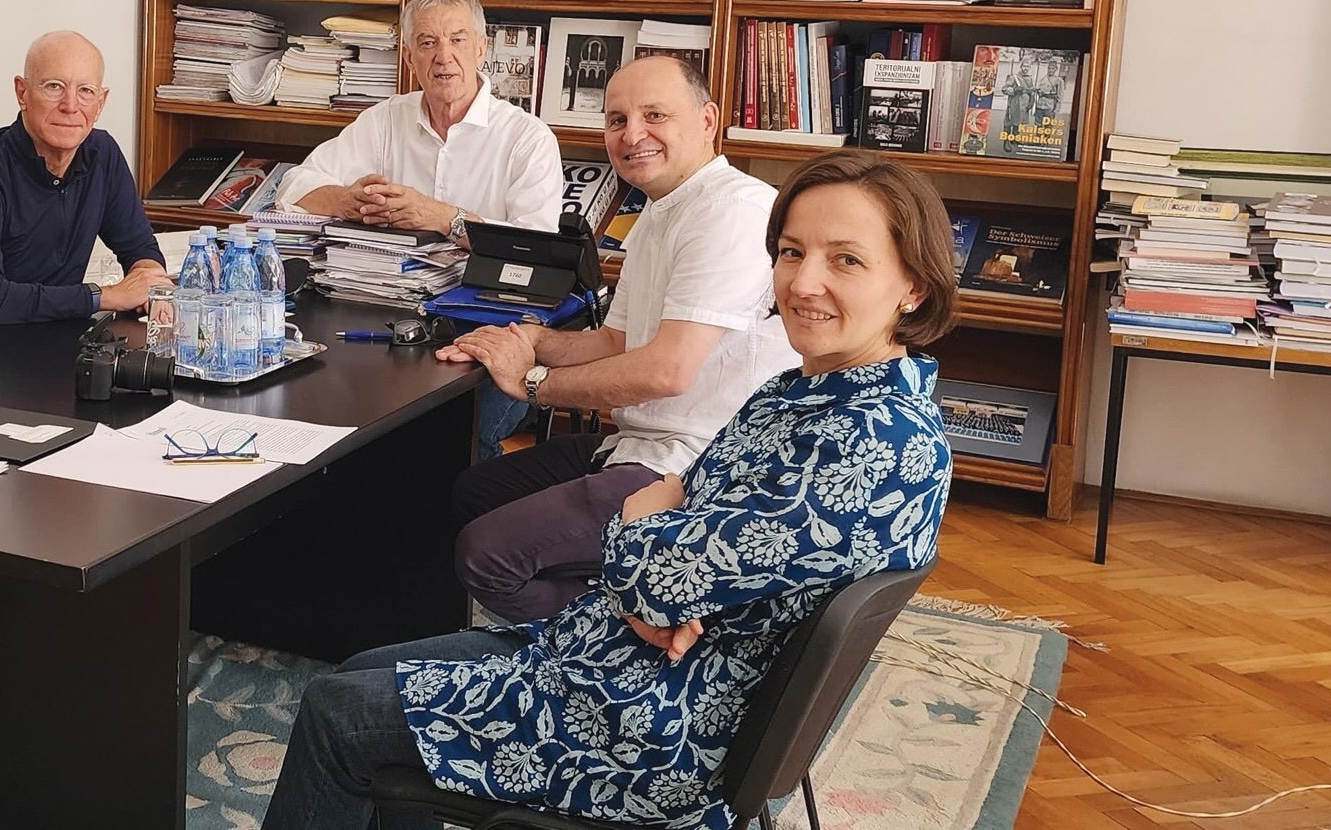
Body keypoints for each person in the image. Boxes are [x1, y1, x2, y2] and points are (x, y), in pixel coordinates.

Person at [261, 148, 962, 830]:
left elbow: (660, 545)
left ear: (913, 286)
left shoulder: (877, 443)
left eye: (846, 259)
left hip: (649, 728)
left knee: (336, 714)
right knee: (354, 672)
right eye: (790, 252)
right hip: (625, 662)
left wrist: (651, 555)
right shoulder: (809, 390)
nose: (804, 282)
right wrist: (663, 570)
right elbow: (681, 521)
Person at [439, 55, 801, 623]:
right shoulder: (659, 212)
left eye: (654, 115)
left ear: (707, 122)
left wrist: (533, 382)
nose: (632, 135)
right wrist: (522, 339)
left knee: (487, 557)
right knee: (475, 494)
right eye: (616, 120)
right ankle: (623, 595)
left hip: (698, 469)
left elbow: (665, 371)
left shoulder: (733, 210)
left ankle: (613, 647)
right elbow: (615, 343)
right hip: (643, 445)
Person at [270, 0, 563, 457]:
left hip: (490, 325)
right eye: (427, 42)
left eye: (457, 39)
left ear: (482, 48)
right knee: (331, 406)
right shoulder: (385, 120)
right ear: (409, 56)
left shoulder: (526, 138)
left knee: (448, 435)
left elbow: (535, 253)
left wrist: (446, 219)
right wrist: (348, 200)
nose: (443, 56)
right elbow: (295, 187)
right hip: (387, 312)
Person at [0, 30, 169, 344]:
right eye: (54, 87)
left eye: (85, 91)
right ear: (22, 92)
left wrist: (152, 283)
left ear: (101, 101)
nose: (71, 105)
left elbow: (139, 247)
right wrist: (107, 296)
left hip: (47, 343)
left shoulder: (102, 154)